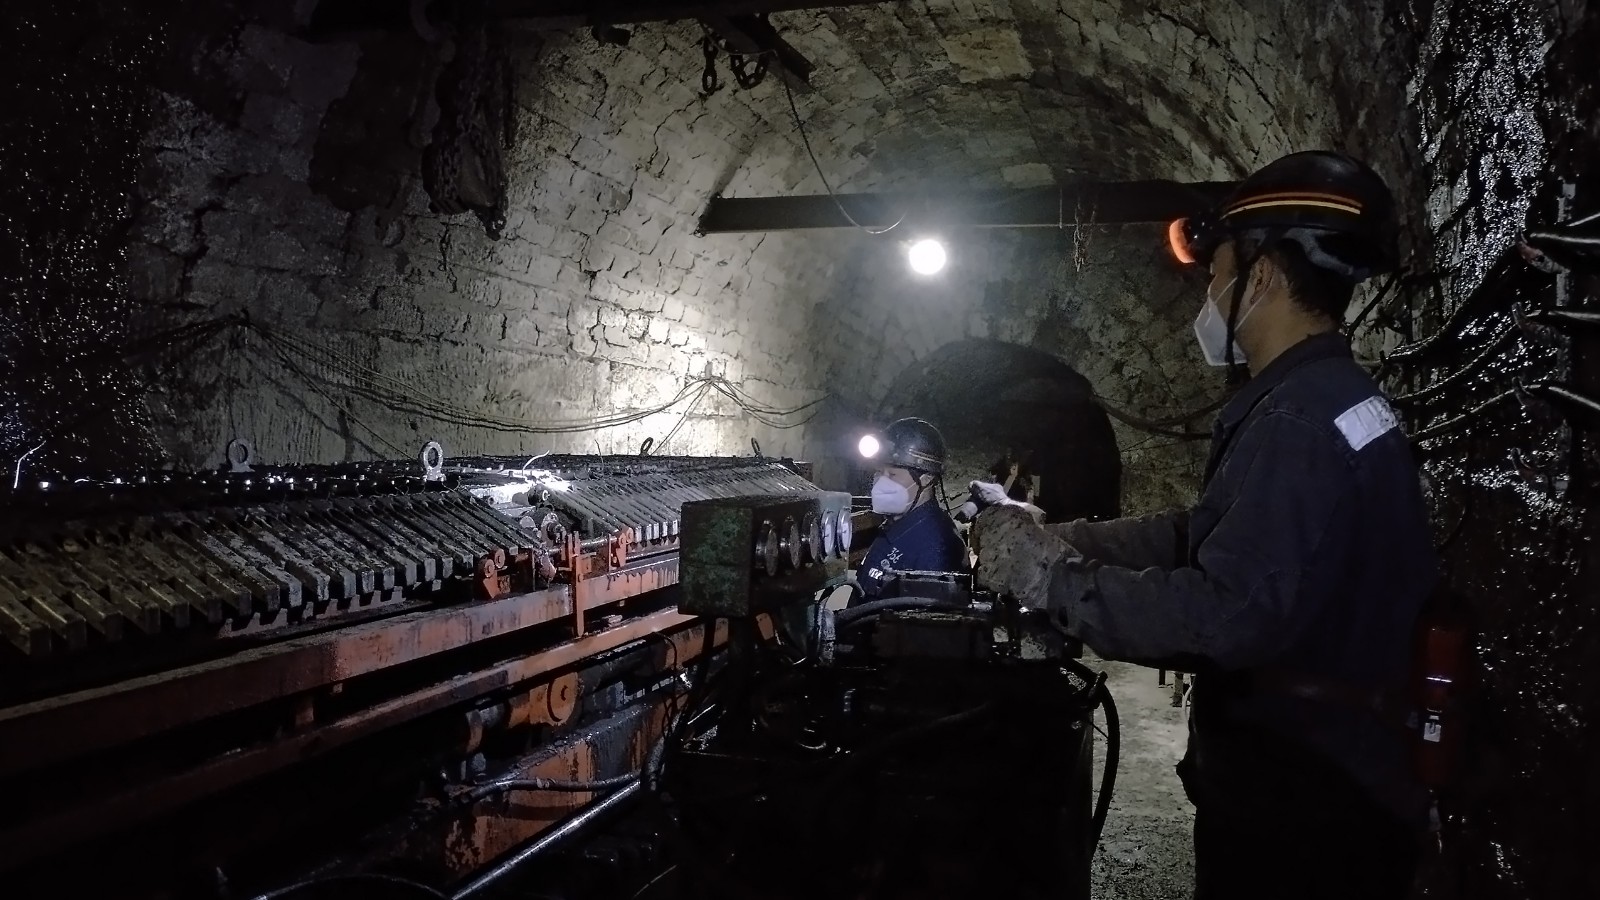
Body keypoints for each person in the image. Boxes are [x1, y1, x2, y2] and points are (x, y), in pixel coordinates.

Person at [971, 150, 1439, 900]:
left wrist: (1051, 579)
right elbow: (1208, 534)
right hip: (1334, 776)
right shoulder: (1329, 399)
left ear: (1264, 276)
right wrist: (1060, 537)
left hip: (1305, 804)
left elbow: (1227, 614)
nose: (1212, 293)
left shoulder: (1296, 421)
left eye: (1218, 272)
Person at [855, 417, 968, 601]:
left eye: (893, 474)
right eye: (879, 472)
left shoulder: (935, 550)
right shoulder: (896, 527)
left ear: (927, 479)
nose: (881, 482)